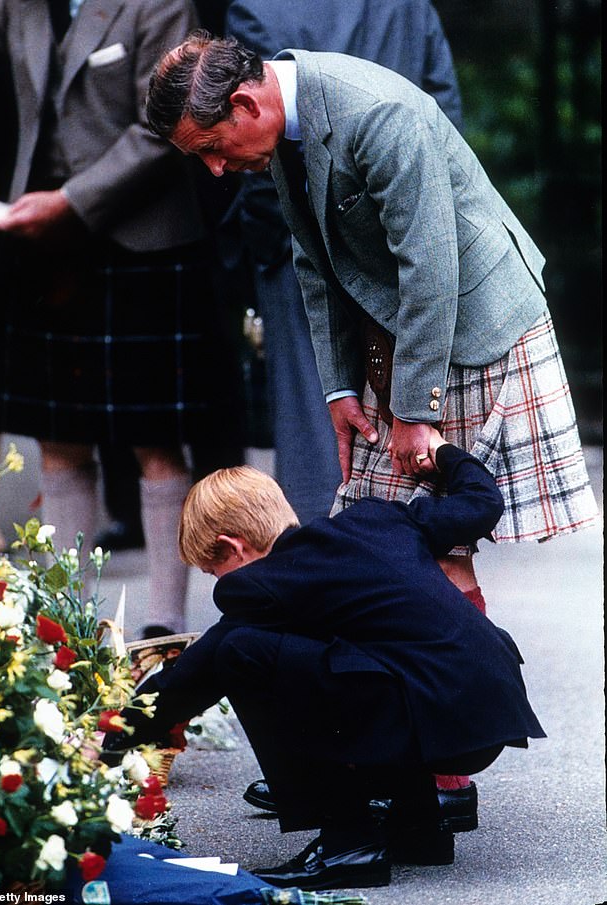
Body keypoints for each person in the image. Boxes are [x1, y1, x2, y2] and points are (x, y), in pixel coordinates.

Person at [144, 28, 598, 810]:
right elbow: (315, 264)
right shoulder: (279, 132)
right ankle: (402, 761)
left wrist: (414, 409)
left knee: (442, 539)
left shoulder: (374, 113)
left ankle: (443, 772)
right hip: (407, 324)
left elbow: (432, 264)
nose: (216, 167)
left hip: (480, 319)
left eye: (213, 146)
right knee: (385, 532)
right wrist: (338, 387)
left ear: (247, 103)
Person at [105, 435, 545, 891]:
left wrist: (115, 733)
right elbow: (481, 502)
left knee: (242, 650)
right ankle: (418, 828)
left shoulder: (258, 583)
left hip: (438, 719)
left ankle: (347, 842)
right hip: (490, 709)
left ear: (232, 547)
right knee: (377, 655)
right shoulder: (380, 518)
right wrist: (444, 455)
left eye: (211, 569)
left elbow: (201, 667)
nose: (218, 583)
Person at [0, 2, 244, 636]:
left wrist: (71, 203)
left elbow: (166, 125)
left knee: (155, 441)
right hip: (42, 243)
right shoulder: (17, 3)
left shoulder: (160, 4)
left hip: (140, 239)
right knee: (59, 440)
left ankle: (162, 630)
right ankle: (74, 631)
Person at [223, 0, 463, 524]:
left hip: (300, 246)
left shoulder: (255, 10)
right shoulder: (407, 4)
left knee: (316, 430)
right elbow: (443, 108)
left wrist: (273, 241)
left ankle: (322, 570)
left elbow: (244, 139)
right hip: (405, 243)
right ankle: (410, 562)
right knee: (412, 418)